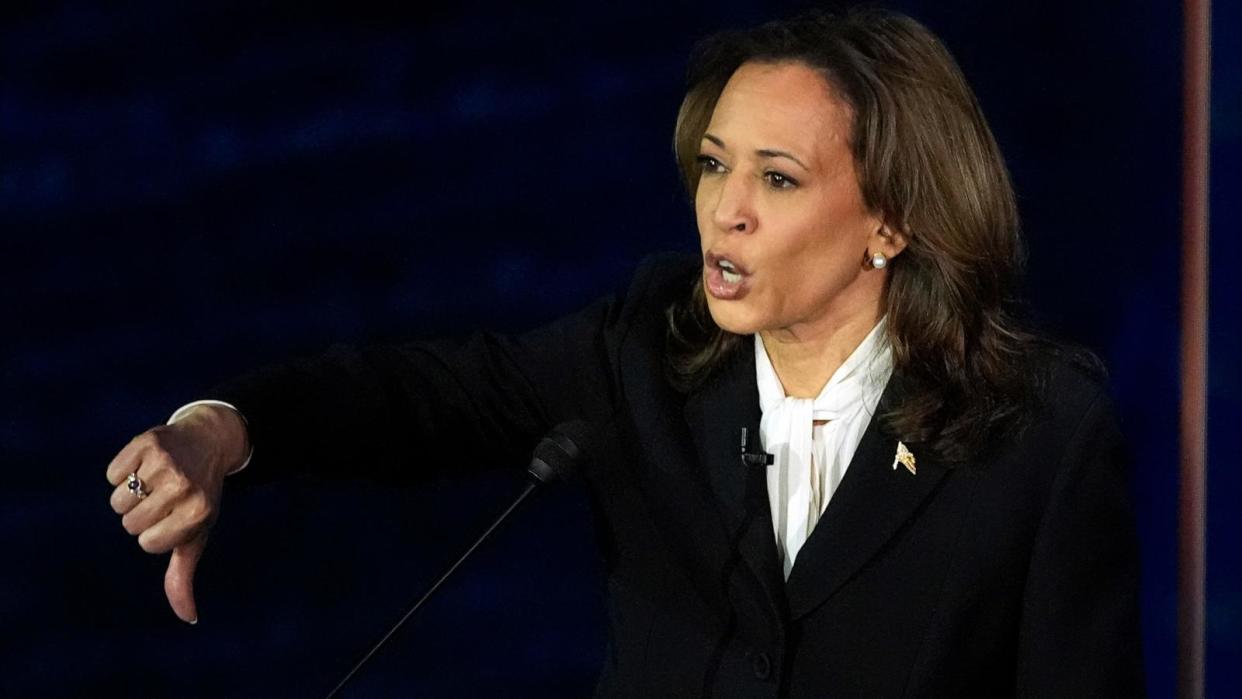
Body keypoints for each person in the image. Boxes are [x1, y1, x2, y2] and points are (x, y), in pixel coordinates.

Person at [105, 8, 1144, 696]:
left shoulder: (1033, 430)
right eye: (712, 165)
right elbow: (421, 396)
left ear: (891, 221)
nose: (722, 213)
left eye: (776, 179)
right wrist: (222, 430)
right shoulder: (645, 355)